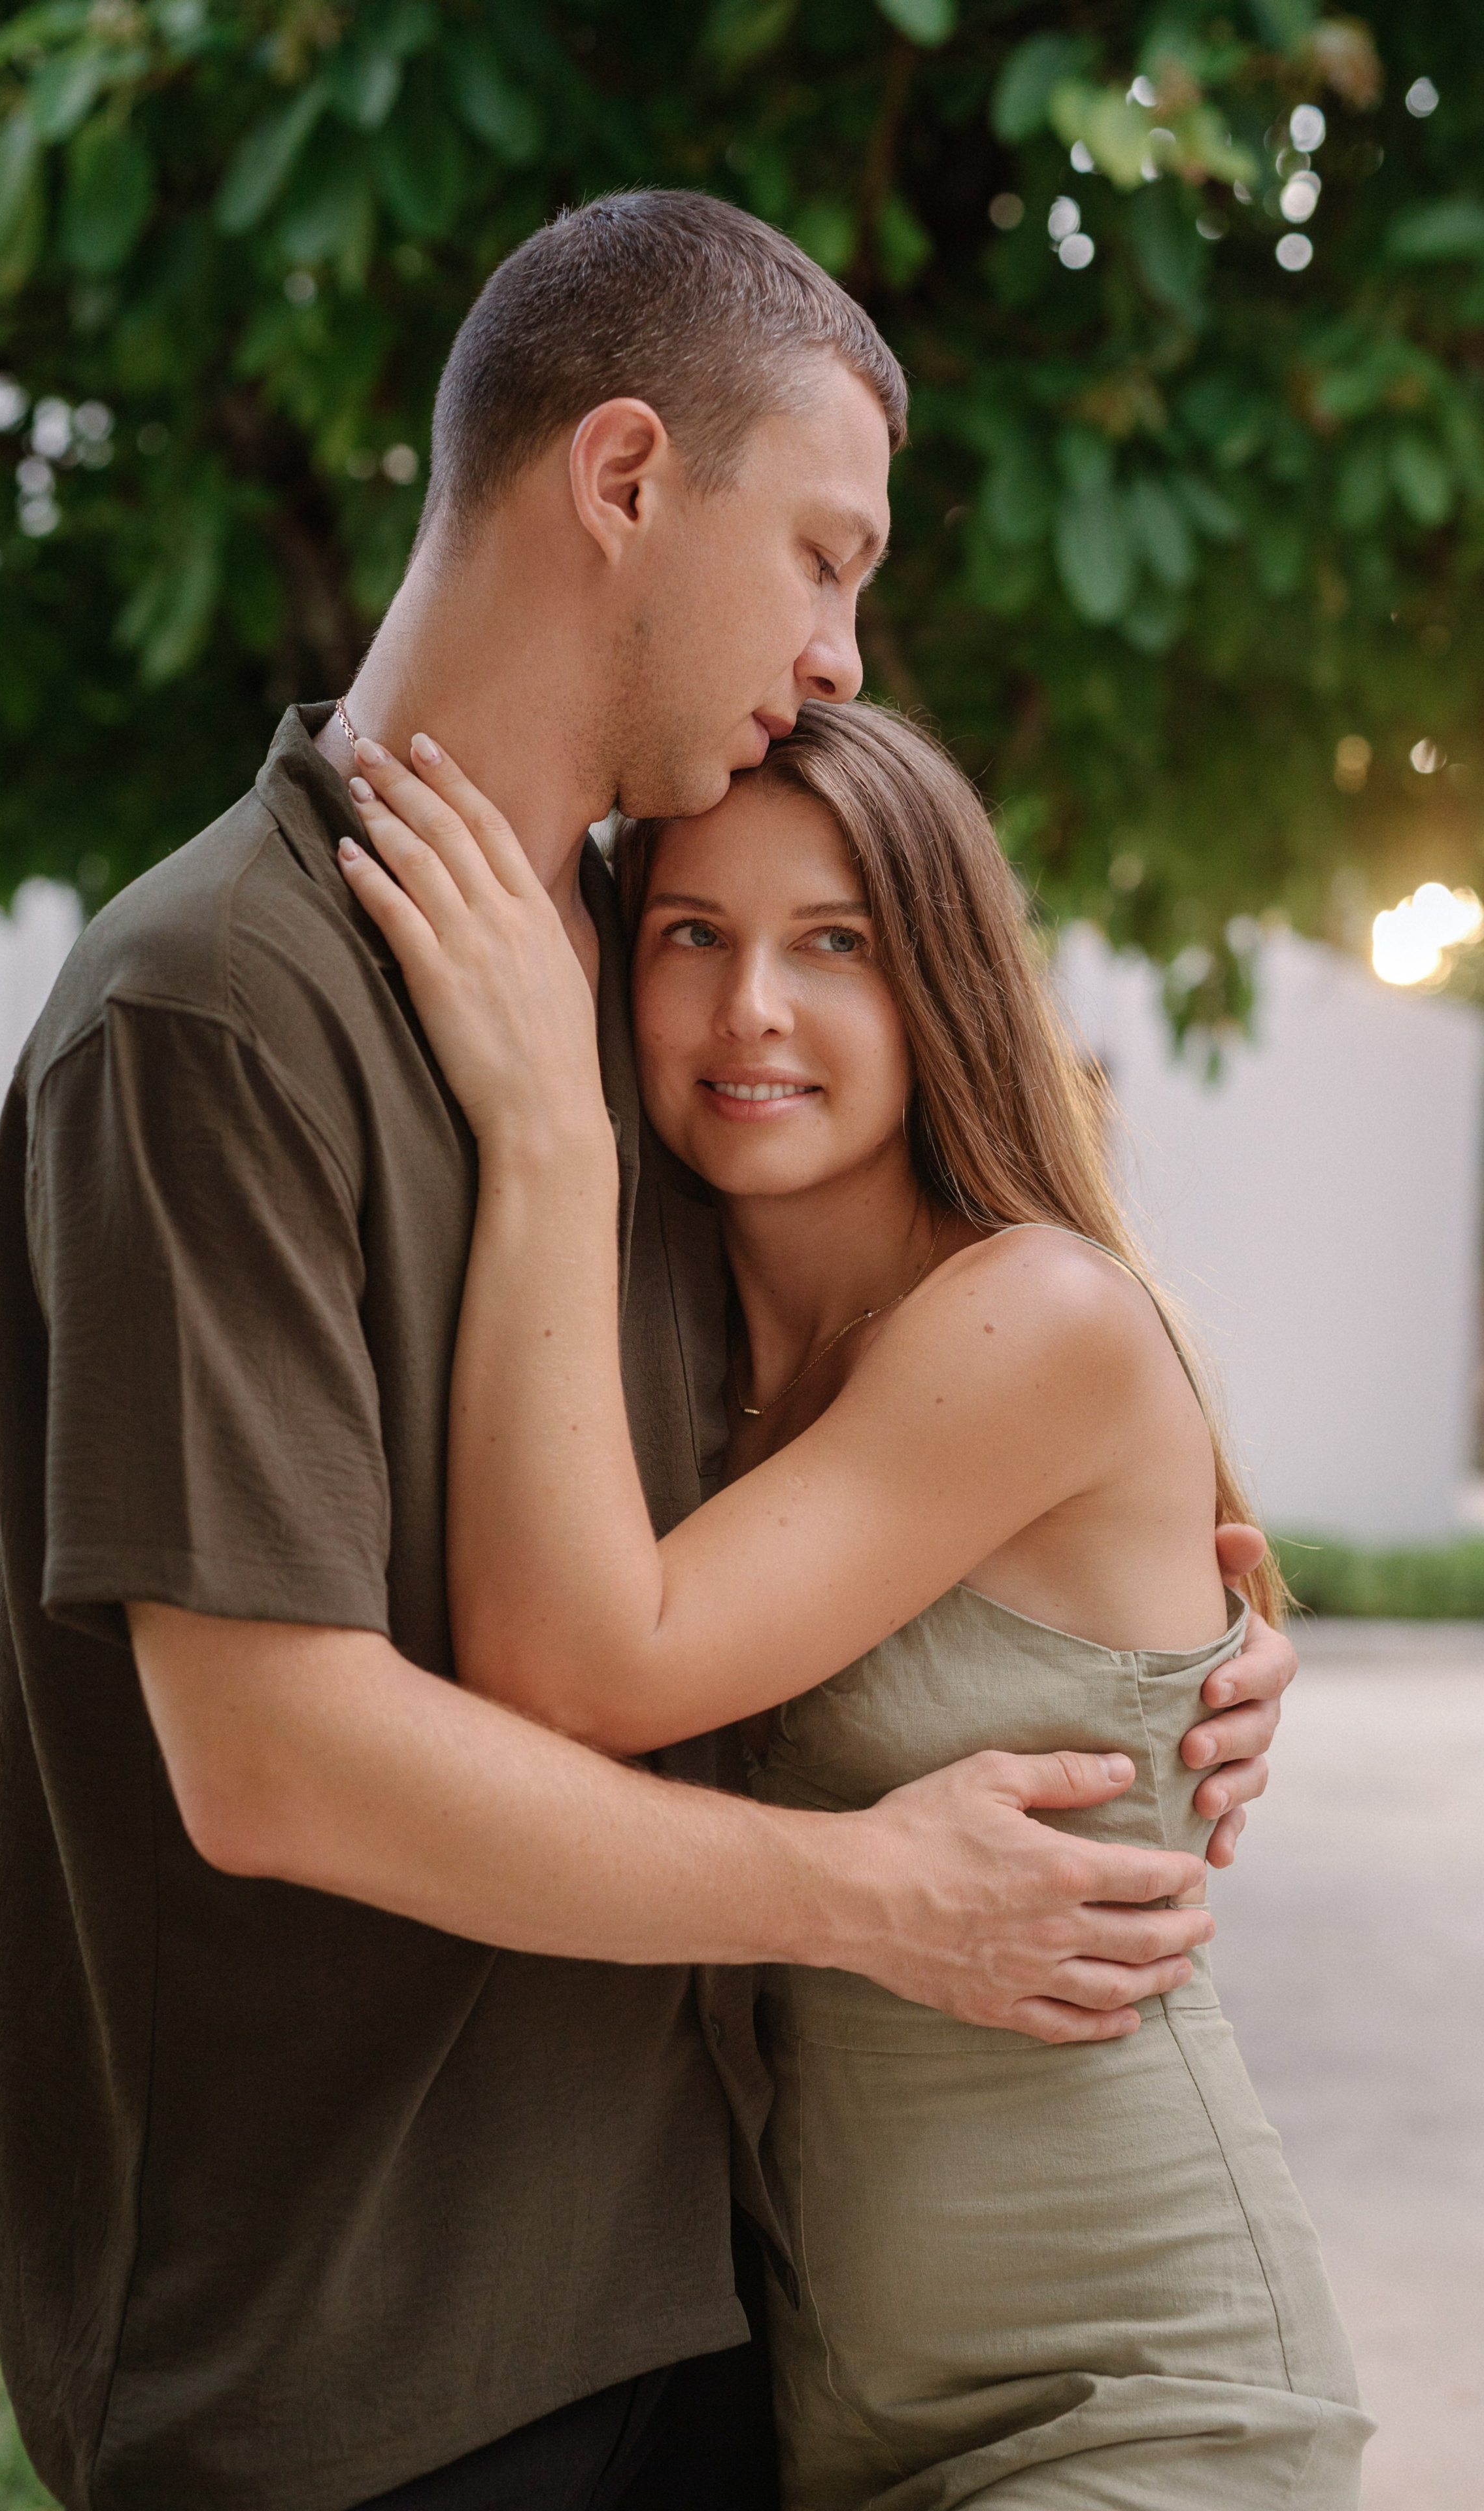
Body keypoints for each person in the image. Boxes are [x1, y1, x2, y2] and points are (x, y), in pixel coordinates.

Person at [0, 192, 1294, 2511]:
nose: (845, 651)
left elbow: (877, 1416)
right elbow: (275, 1760)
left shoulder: (657, 989)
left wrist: (1160, 1646)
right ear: (619, 481)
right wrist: (874, 1892)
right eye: (821, 554)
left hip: (703, 2320)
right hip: (358, 2373)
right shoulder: (212, 1011)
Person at [334, 696, 1369, 2507]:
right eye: (691, 939)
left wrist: (550, 1138)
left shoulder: (1025, 1318)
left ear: (941, 992)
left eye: (838, 947)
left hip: (1131, 2396)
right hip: (825, 2416)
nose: (753, 1010)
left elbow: (575, 1674)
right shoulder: (668, 1361)